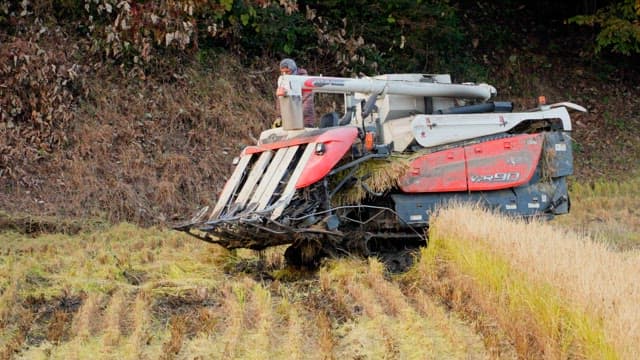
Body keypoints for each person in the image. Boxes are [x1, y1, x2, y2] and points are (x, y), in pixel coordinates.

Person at [277, 58, 315, 127]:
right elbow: (281, 101)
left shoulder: (305, 81)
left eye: (287, 71)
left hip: (305, 121)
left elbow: (307, 103)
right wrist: (279, 117)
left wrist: (293, 117)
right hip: (289, 121)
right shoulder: (283, 81)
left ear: (294, 70)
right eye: (282, 72)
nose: (284, 74)